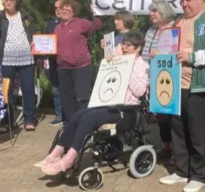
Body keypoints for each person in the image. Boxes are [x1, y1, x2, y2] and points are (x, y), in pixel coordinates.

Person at [36, 31, 149, 175]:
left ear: (138, 48)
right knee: (78, 115)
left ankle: (70, 157)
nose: (124, 48)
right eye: (123, 44)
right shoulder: (119, 59)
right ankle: (57, 152)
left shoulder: (142, 66)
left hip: (125, 110)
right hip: (109, 105)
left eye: (128, 45)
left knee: (89, 118)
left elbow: (139, 91)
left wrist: (128, 66)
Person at [159, 0, 205, 192]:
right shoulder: (178, 21)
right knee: (178, 130)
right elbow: (170, 48)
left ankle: (198, 175)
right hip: (176, 86)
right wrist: (160, 57)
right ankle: (181, 171)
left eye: (187, 0)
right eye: (182, 0)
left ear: (199, 0)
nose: (183, 4)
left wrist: (192, 57)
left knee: (198, 132)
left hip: (198, 86)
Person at [0, 0, 37, 132]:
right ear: (2, 1)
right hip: (5, 60)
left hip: (26, 59)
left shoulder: (26, 17)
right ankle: (7, 121)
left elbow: (33, 35)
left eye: (12, 0)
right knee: (6, 91)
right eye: (6, 0)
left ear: (17, 1)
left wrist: (35, 43)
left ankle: (29, 119)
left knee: (28, 89)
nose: (9, 2)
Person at [54, 0, 102, 122]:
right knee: (67, 100)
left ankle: (83, 124)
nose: (64, 11)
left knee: (81, 98)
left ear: (74, 12)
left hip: (81, 67)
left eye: (67, 9)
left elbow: (97, 25)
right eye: (62, 9)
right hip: (63, 68)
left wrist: (94, 12)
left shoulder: (81, 23)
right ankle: (71, 125)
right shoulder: (57, 28)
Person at [141, 0, 177, 162]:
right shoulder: (150, 30)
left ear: (164, 12)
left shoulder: (175, 29)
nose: (151, 14)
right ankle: (166, 146)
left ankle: (177, 150)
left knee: (171, 116)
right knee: (161, 117)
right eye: (151, 11)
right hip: (151, 76)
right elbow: (144, 53)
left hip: (169, 78)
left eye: (154, 11)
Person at [44, 0, 63, 126]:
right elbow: (45, 41)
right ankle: (59, 116)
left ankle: (70, 116)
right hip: (53, 60)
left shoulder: (74, 23)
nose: (57, 10)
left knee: (69, 90)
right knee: (56, 90)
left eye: (60, 7)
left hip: (68, 62)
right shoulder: (51, 24)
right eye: (55, 8)